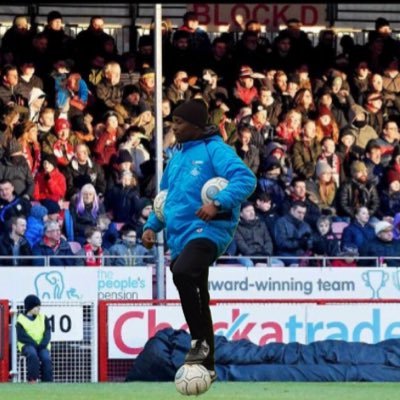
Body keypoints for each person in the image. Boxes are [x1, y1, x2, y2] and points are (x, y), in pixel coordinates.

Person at [141, 99, 256, 382]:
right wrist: (151, 226)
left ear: (195, 125)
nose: (174, 128)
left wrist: (217, 204)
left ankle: (199, 342)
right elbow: (165, 199)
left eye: (179, 123)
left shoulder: (214, 149)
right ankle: (208, 364)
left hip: (210, 230)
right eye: (173, 123)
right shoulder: (177, 156)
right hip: (182, 234)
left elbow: (245, 178)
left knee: (181, 271)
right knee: (198, 292)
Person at [16, 294, 53, 382]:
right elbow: (21, 336)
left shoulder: (43, 318)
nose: (38, 309)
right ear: (29, 307)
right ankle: (32, 379)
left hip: (42, 345)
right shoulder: (20, 319)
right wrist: (34, 344)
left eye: (39, 306)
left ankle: (47, 382)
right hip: (27, 345)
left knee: (46, 358)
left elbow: (47, 333)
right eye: (36, 307)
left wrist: (43, 344)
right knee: (32, 355)